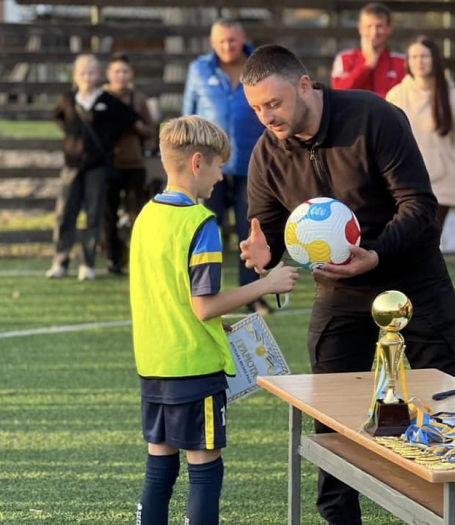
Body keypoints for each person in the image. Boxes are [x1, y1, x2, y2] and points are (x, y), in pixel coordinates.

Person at [239, 44, 455, 525]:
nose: (266, 117)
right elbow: (268, 231)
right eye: (257, 108)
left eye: (274, 104)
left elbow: (419, 207)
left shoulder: (375, 117)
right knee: (332, 407)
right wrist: (263, 257)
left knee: (451, 396)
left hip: (413, 278)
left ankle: (454, 510)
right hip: (340, 292)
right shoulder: (267, 153)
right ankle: (339, 518)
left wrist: (378, 255)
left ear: (306, 85)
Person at [129, 115, 298, 525]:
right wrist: (267, 284)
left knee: (160, 467)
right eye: (220, 166)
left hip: (154, 365)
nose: (222, 177)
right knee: (204, 469)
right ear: (197, 162)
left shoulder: (145, 216)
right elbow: (202, 305)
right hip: (194, 368)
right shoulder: (199, 222)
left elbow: (167, 297)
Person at [182, 19, 269, 314]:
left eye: (232, 40)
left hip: (253, 163)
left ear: (242, 38)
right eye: (221, 41)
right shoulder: (198, 70)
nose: (227, 46)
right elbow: (188, 118)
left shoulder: (260, 64)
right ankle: (204, 292)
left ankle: (252, 295)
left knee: (251, 230)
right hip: (209, 167)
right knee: (207, 226)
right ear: (212, 42)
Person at [46, 54, 141, 281]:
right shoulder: (68, 100)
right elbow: (59, 118)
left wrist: (107, 142)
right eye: (82, 73)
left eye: (91, 73)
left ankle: (87, 264)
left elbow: (129, 120)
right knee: (65, 214)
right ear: (76, 76)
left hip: (98, 167)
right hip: (71, 166)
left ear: (99, 75)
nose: (87, 77)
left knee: (94, 217)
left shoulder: (108, 101)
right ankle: (60, 261)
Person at [386, 36, 455, 231]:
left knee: (432, 242)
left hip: (442, 183)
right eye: (413, 56)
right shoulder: (396, 95)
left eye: (424, 56)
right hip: (405, 185)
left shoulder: (453, 97)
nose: (419, 61)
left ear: (435, 59)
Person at [102, 52, 156, 275]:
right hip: (108, 163)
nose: (121, 76)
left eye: (125, 72)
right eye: (117, 72)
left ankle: (139, 258)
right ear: (109, 74)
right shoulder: (101, 97)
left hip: (134, 163)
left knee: (138, 214)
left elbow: (150, 129)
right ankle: (113, 259)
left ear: (131, 74)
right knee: (108, 215)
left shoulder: (138, 99)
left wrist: (135, 126)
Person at [330, 2, 405, 98]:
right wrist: (368, 65)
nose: (374, 33)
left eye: (379, 26)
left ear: (389, 28)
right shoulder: (344, 58)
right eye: (369, 26)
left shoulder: (401, 62)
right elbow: (338, 94)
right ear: (360, 28)